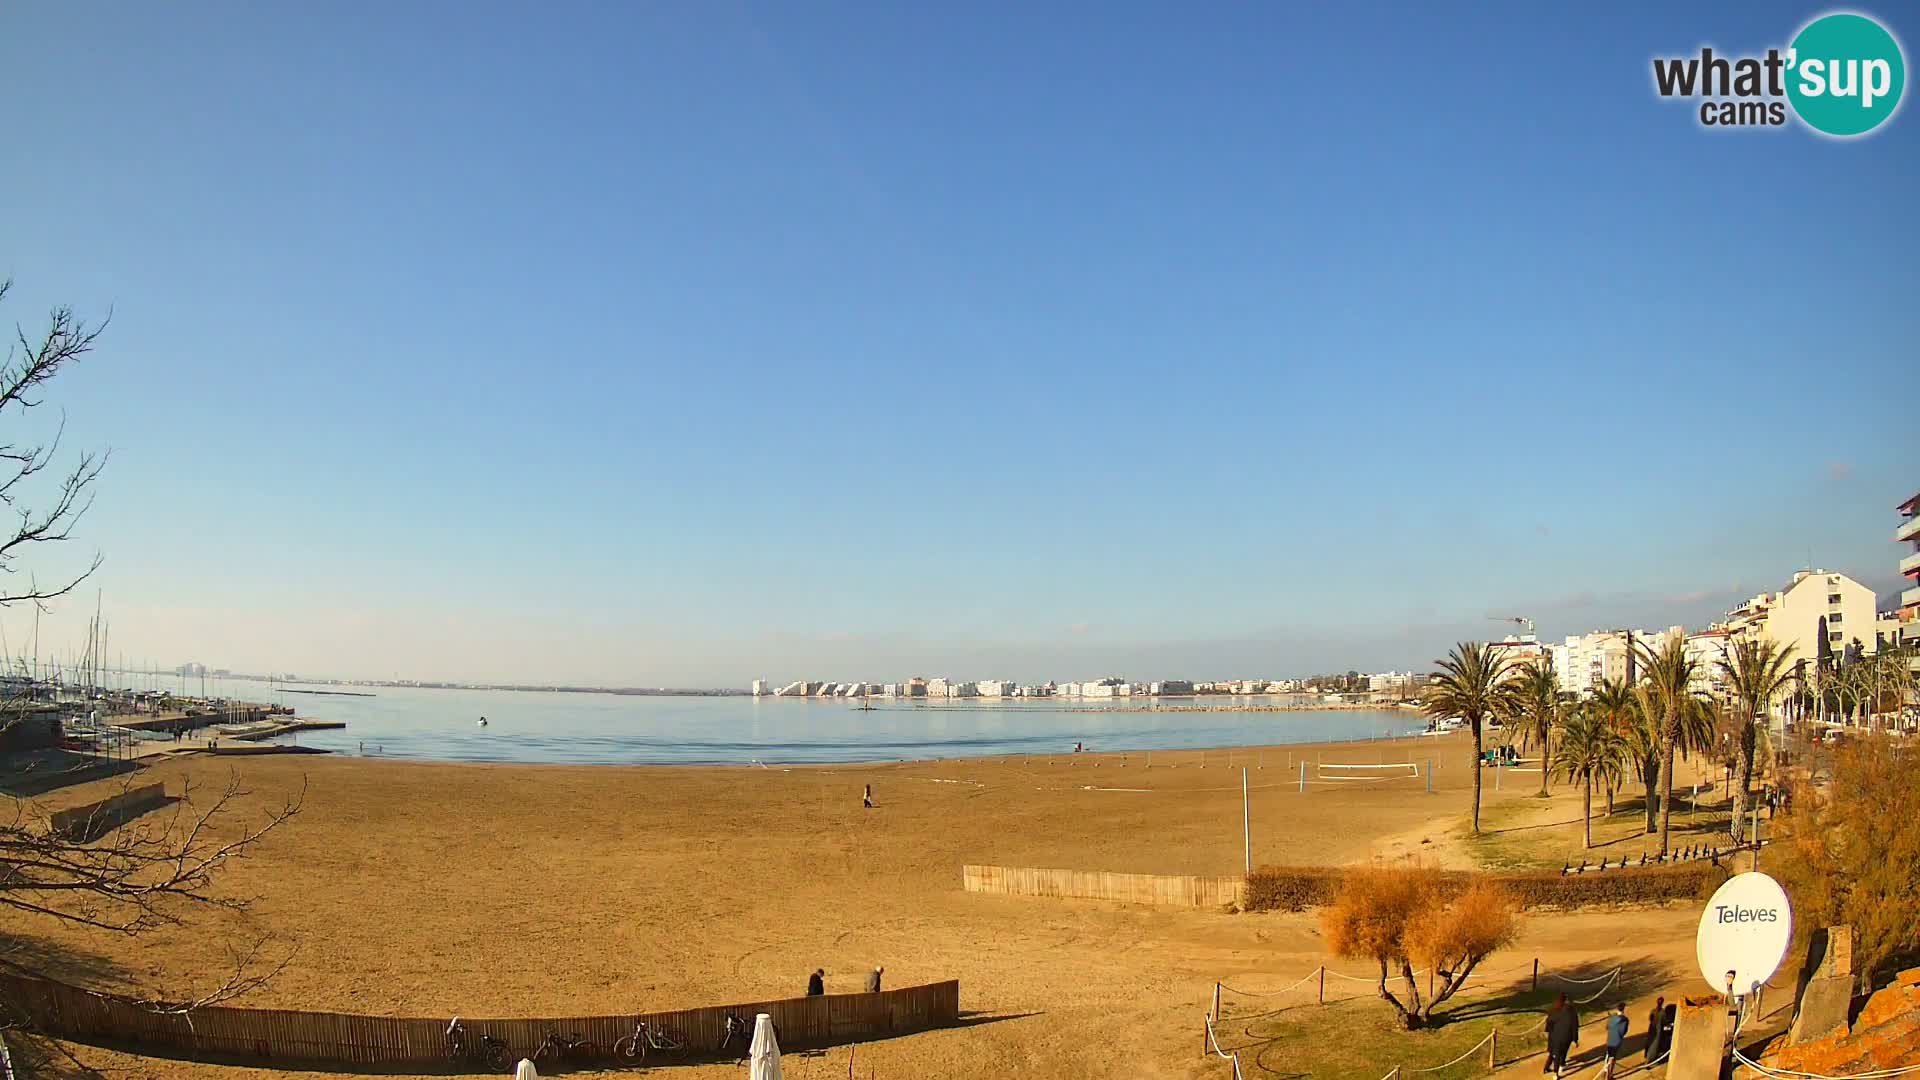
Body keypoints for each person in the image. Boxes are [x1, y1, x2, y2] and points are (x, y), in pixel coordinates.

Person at [1543, 993, 1579, 1077]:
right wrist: (1575, 1039)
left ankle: (1548, 1068)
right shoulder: (1572, 1012)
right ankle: (1560, 1066)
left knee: (1554, 1053)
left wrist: (1548, 1030)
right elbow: (1574, 1026)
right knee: (1562, 1052)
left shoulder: (1554, 1009)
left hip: (1554, 1036)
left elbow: (1549, 1021)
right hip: (1566, 1037)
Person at [1603, 1002, 1629, 1079]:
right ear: (1623, 1009)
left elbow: (1607, 1027)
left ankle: (1606, 1071)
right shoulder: (1625, 1020)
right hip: (1616, 1041)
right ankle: (1609, 1075)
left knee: (1608, 1056)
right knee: (1612, 1058)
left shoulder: (1612, 1017)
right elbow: (1624, 1031)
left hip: (1609, 1040)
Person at [1643, 997, 1666, 1064]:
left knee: (1649, 1044)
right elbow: (1664, 1021)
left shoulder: (1653, 1011)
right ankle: (1650, 1060)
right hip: (1658, 1030)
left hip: (1651, 1029)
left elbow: (1650, 1019)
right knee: (1655, 1045)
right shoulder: (1663, 1012)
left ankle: (1647, 1059)